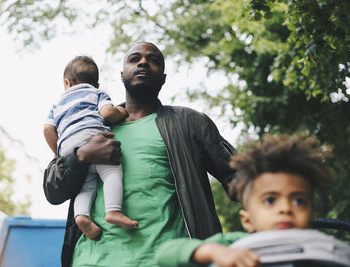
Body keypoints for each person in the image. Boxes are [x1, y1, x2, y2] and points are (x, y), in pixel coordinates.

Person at [43, 42, 236, 267]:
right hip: (90, 260)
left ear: (163, 78)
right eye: (134, 59)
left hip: (165, 260)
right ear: (121, 75)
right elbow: (53, 191)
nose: (143, 62)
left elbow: (241, 176)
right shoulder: (90, 124)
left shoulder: (189, 123)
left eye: (153, 60)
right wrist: (82, 155)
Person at [155, 134, 335, 267]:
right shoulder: (236, 245)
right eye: (270, 200)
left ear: (312, 216)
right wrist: (213, 251)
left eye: (299, 201)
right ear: (247, 220)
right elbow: (164, 254)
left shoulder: (328, 249)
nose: (286, 208)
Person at [43, 55, 138, 241]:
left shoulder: (57, 105)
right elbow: (108, 113)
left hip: (68, 148)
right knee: (111, 173)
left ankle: (82, 217)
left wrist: (56, 152)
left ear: (67, 82)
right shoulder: (96, 93)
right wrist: (122, 111)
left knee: (86, 186)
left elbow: (47, 129)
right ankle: (113, 211)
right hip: (92, 136)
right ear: (97, 84)